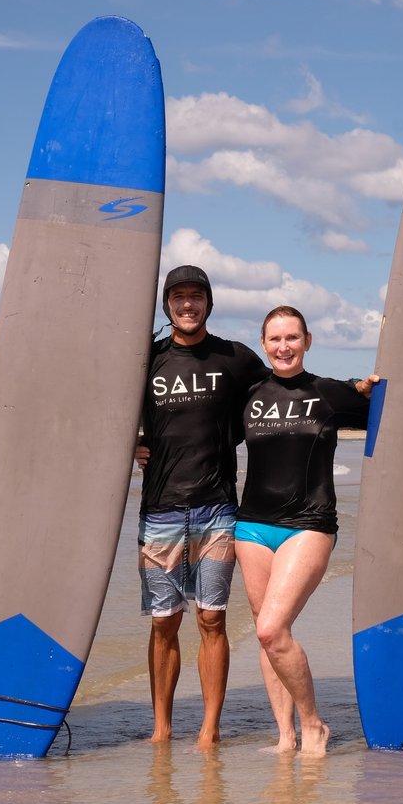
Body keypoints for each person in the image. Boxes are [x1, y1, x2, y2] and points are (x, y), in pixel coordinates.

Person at [234, 305, 378, 756]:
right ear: (263, 344)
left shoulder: (329, 393)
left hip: (309, 525)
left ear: (308, 341)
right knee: (267, 631)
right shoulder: (249, 393)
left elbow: (391, 411)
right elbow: (196, 432)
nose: (283, 347)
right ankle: (285, 734)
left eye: (292, 338)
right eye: (275, 339)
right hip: (252, 525)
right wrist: (144, 448)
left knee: (271, 630)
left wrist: (371, 389)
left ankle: (313, 724)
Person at [135, 265, 269, 747]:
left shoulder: (234, 358)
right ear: (166, 304)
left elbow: (283, 392)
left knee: (212, 618)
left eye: (196, 297)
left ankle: (210, 730)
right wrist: (128, 443)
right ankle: (162, 728)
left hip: (217, 511)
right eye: (178, 297)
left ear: (208, 303)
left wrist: (356, 395)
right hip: (161, 510)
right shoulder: (145, 359)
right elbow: (103, 406)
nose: (187, 305)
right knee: (164, 622)